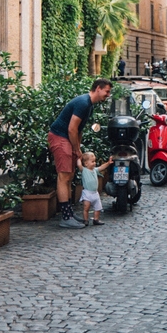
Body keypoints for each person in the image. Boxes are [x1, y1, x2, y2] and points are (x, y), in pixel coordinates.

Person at [48, 79, 113, 229]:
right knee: (64, 176)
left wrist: (78, 148)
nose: (108, 95)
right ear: (98, 89)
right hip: (59, 136)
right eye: (107, 92)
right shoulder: (84, 103)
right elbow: (71, 129)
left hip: (66, 138)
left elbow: (79, 129)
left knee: (69, 176)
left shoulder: (89, 105)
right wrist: (77, 149)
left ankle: (69, 214)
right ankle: (66, 217)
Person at [76, 152, 112, 226]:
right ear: (86, 163)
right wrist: (79, 159)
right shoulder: (84, 170)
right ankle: (86, 220)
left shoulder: (95, 170)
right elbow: (79, 165)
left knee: (98, 208)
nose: (94, 163)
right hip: (87, 193)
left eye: (94, 161)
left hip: (95, 193)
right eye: (92, 161)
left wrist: (108, 163)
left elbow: (102, 167)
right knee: (86, 207)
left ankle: (96, 219)